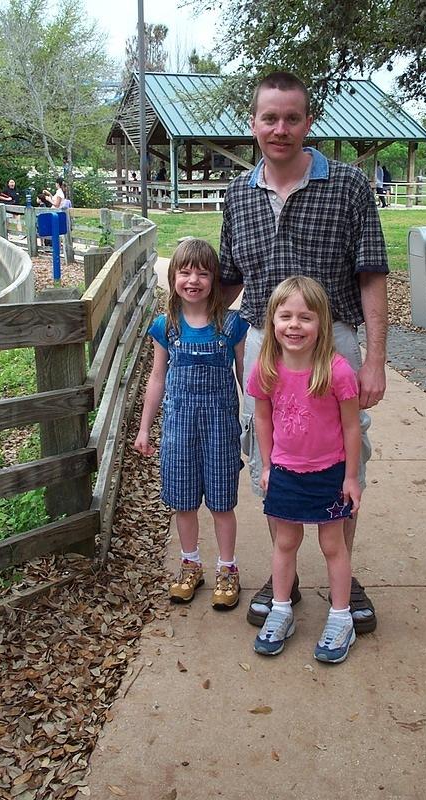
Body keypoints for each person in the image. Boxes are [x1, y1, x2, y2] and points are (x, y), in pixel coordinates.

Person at [219, 71, 388, 635]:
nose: (280, 128)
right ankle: (283, 574)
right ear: (253, 124)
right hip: (264, 345)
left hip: (332, 337)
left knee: (343, 451)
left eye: (292, 117)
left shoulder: (347, 186)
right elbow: (229, 277)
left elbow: (371, 276)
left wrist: (374, 358)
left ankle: (345, 569)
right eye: (270, 118)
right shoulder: (237, 196)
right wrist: (188, 323)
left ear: (308, 122)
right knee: (268, 455)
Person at [247, 277, 361, 662]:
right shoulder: (266, 369)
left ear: (322, 323)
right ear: (273, 321)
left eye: (305, 317)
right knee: (285, 542)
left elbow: (350, 426)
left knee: (333, 545)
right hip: (285, 472)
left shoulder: (337, 371)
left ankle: (341, 617)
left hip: (329, 473)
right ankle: (281, 610)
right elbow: (262, 419)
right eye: (286, 316)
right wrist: (266, 465)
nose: (294, 325)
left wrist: (350, 476)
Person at [134, 238, 249, 610]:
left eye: (202, 272)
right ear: (173, 277)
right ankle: (190, 563)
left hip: (220, 428)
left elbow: (247, 377)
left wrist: (260, 422)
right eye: (185, 271)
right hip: (178, 428)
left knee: (221, 502)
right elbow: (157, 378)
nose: (193, 279)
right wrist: (144, 428)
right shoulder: (164, 326)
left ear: (215, 278)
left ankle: (227, 568)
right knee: (183, 501)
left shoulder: (231, 325)